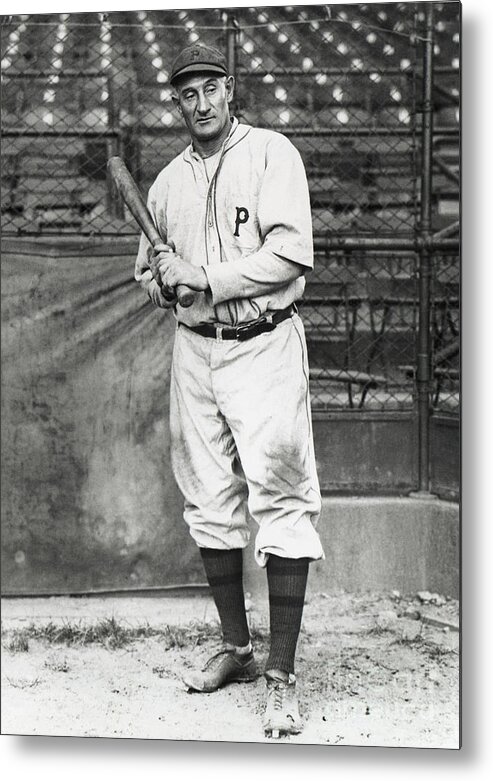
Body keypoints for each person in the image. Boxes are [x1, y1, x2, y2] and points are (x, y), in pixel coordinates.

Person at [134, 42, 325, 738]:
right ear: (177, 104)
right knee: (207, 499)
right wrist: (162, 279)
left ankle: (280, 674)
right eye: (187, 93)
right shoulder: (163, 183)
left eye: (211, 87)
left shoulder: (273, 154)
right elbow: (150, 275)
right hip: (195, 348)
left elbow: (291, 252)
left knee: (281, 495)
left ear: (229, 89)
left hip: (263, 342)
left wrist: (205, 277)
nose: (202, 102)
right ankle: (237, 648)